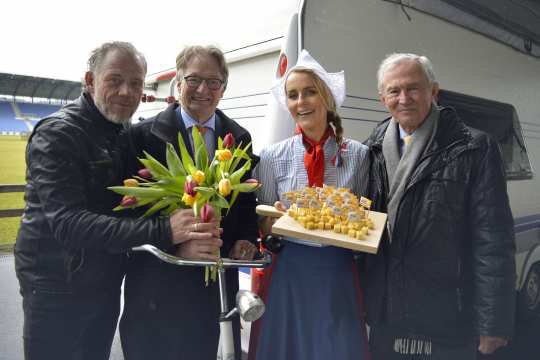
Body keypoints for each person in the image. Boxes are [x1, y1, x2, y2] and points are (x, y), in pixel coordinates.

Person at [14, 41, 221, 360]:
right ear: (90, 80)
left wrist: (188, 232)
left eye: (136, 83)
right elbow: (69, 224)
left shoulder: (122, 133)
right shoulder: (57, 134)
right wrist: (165, 231)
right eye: (115, 80)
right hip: (57, 288)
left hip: (104, 283)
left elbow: (133, 208)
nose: (126, 91)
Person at [363, 53, 516, 359]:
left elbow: (493, 240)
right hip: (387, 312)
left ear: (434, 91)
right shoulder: (372, 149)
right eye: (394, 91)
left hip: (448, 313)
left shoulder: (473, 147)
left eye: (413, 88)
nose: (404, 98)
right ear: (383, 98)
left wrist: (492, 321)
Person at [119, 45, 259, 360]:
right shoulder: (141, 137)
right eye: (193, 79)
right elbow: (128, 217)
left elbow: (246, 204)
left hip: (213, 291)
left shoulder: (238, 138)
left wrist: (244, 239)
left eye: (213, 82)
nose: (203, 90)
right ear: (178, 82)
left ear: (223, 88)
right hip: (156, 290)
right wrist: (175, 245)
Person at [251, 50, 371, 360]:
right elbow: (262, 223)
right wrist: (273, 217)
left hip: (337, 271)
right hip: (290, 270)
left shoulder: (358, 154)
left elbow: (364, 212)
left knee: (335, 347)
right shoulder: (271, 156)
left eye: (309, 92)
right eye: (293, 95)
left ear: (327, 97)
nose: (300, 101)